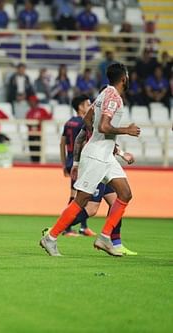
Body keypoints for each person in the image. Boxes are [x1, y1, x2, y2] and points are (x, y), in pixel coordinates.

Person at [39, 63, 141, 257]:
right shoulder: (114, 98)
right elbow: (103, 126)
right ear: (124, 78)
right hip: (96, 155)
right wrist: (125, 130)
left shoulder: (104, 94)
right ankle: (50, 237)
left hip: (105, 154)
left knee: (125, 193)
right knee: (82, 200)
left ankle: (104, 237)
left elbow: (88, 119)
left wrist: (102, 141)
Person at [66, 110, 137, 255]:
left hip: (106, 166)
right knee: (91, 209)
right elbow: (83, 140)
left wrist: (122, 154)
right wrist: (76, 163)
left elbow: (107, 143)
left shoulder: (102, 120)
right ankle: (58, 229)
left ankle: (116, 243)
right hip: (95, 165)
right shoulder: (94, 122)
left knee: (116, 201)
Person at [59, 94, 95, 236]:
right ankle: (67, 228)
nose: (90, 106)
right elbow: (85, 143)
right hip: (80, 162)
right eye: (87, 104)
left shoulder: (68, 123)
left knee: (81, 195)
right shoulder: (83, 123)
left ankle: (83, 227)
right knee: (77, 196)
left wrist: (63, 165)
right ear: (80, 107)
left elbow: (62, 143)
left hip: (69, 161)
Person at [25, 95, 51, 163]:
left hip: (39, 134)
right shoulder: (29, 112)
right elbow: (27, 122)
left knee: (39, 152)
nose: (31, 103)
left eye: (32, 101)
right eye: (30, 102)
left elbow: (49, 117)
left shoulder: (42, 110)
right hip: (31, 134)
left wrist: (42, 120)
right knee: (32, 152)